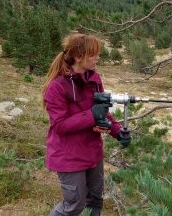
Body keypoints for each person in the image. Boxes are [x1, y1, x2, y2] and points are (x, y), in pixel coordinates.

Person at [42, 34, 131, 216]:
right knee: (74, 205)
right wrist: (91, 115)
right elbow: (60, 125)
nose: (98, 58)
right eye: (93, 54)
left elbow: (102, 110)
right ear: (78, 57)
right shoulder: (56, 87)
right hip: (69, 156)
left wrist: (116, 131)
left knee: (95, 202)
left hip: (93, 152)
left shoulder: (94, 78)